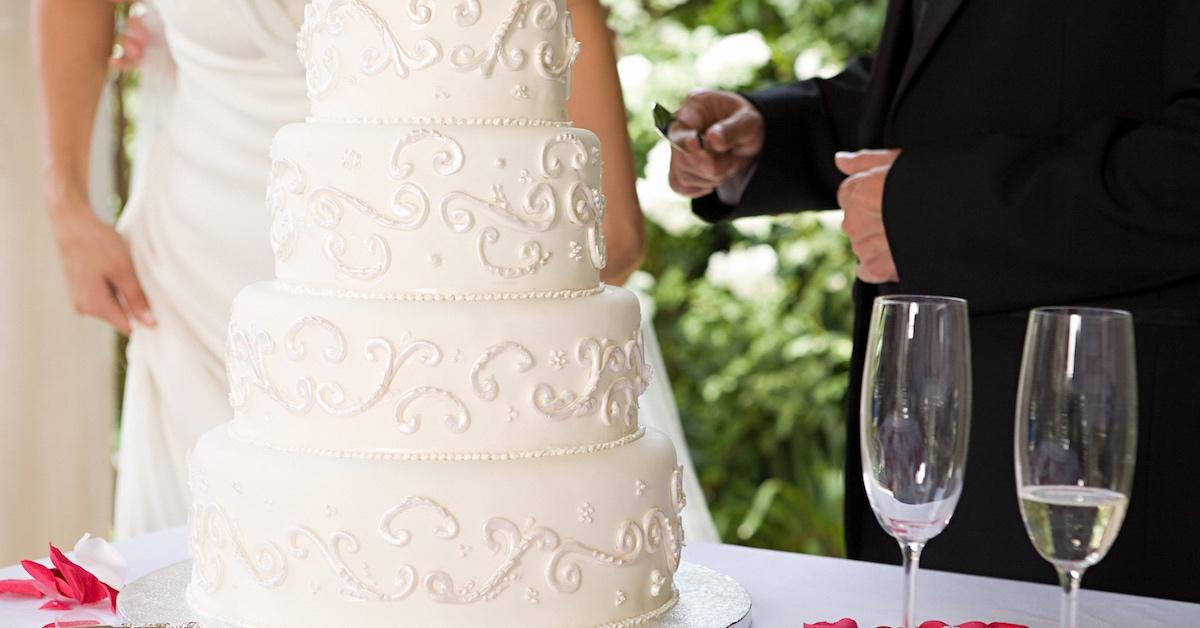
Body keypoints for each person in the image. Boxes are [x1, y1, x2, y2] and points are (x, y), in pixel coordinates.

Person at [36, 0, 718, 542]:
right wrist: (67, 202)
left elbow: (613, 236)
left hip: (437, 295)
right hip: (194, 264)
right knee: (209, 563)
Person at [668, 0, 1200, 602]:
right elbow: (959, 81)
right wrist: (779, 132)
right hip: (937, 467)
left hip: (1107, 464)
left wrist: (928, 212)